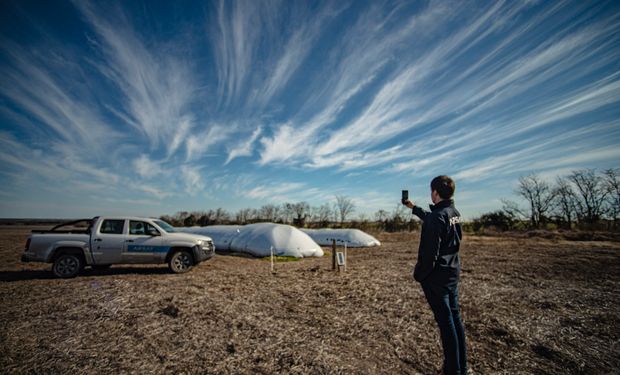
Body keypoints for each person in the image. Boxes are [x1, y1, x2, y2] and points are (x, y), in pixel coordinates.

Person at [403, 175, 467, 375]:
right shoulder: (453, 212)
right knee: (455, 321)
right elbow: (435, 219)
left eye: (431, 190)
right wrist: (413, 208)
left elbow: (430, 254)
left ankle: (452, 371)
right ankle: (460, 367)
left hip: (436, 278)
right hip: (451, 273)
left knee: (446, 324)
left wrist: (420, 275)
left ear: (435, 192)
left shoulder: (437, 217)